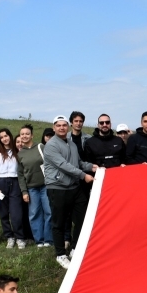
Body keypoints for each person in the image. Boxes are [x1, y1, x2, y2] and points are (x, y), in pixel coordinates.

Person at [45, 115, 97, 269]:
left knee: (82, 219)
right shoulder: (51, 145)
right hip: (58, 188)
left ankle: (75, 249)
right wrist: (83, 175)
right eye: (58, 125)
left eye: (64, 125)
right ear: (54, 128)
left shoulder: (71, 143)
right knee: (59, 222)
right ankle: (60, 254)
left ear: (67, 127)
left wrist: (91, 167)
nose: (61, 128)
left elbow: (78, 162)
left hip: (74, 187)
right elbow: (63, 165)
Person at [0, 127, 26, 249]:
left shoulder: (17, 151)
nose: (4, 139)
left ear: (10, 136)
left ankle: (20, 237)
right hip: (1, 183)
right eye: (2, 137)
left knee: (16, 213)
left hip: (15, 182)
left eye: (6, 136)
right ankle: (9, 237)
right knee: (3, 213)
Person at [17, 124, 52, 248]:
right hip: (31, 188)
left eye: (27, 134)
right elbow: (20, 174)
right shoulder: (20, 154)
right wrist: (24, 192)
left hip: (45, 186)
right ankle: (39, 240)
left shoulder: (41, 147)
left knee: (49, 212)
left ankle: (48, 239)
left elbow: (50, 164)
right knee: (34, 214)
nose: (24, 136)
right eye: (22, 134)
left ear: (32, 135)